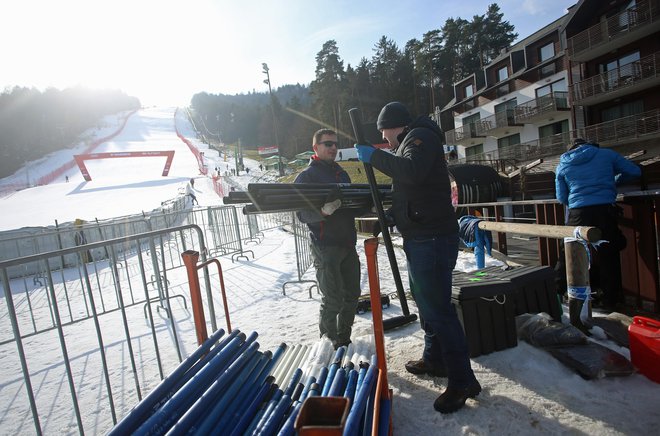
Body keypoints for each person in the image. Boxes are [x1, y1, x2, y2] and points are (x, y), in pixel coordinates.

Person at [355, 101, 480, 414]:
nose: (385, 139)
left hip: (432, 240)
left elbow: (412, 172)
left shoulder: (420, 138)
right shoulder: (412, 143)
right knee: (427, 305)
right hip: (422, 236)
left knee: (438, 310)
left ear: (395, 125)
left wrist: (375, 156)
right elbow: (416, 191)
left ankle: (462, 380)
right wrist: (395, 216)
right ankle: (434, 358)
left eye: (385, 133)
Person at [295, 128, 364, 350]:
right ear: (316, 148)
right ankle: (328, 344)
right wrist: (323, 212)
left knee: (352, 295)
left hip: (347, 243)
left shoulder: (341, 173)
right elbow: (301, 214)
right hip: (326, 246)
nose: (333, 148)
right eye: (327, 144)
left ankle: (343, 339)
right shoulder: (307, 176)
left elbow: (350, 205)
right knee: (332, 299)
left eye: (335, 144)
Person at [555, 138, 640, 309]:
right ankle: (610, 299)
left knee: (569, 252)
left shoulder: (563, 163)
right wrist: (613, 182)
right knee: (609, 253)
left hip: (577, 212)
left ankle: (557, 292)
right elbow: (635, 172)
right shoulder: (606, 155)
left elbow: (561, 197)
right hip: (604, 210)